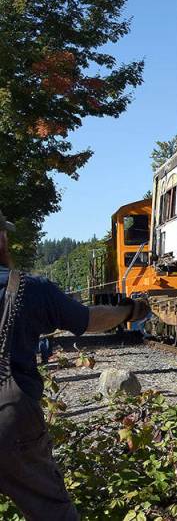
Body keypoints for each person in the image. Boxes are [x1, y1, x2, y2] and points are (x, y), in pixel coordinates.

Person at [0, 207, 150, 520]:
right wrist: (130, 312)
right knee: (52, 513)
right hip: (10, 423)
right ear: (1, 239)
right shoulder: (27, 288)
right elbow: (89, 319)